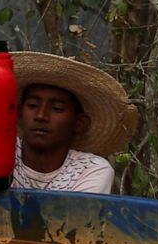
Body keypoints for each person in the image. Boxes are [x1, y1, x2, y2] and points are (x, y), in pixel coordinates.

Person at [10, 52, 138, 194]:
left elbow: (74, 216)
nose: (41, 116)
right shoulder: (0, 150)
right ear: (19, 114)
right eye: (33, 105)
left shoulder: (91, 169)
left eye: (57, 109)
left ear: (79, 123)